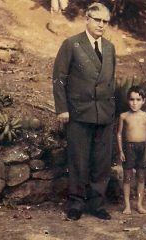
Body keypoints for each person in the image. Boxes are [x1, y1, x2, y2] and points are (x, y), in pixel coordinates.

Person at [52, 3, 116, 221]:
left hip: (104, 113)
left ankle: (97, 204)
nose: (101, 25)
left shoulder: (109, 48)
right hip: (79, 112)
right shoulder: (72, 44)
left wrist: (112, 110)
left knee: (101, 162)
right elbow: (59, 78)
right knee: (78, 160)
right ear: (86, 19)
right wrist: (62, 109)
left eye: (105, 21)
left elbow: (111, 80)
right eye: (97, 20)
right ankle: (76, 203)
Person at [117, 86, 146, 214]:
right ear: (128, 100)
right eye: (132, 99)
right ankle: (127, 206)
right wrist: (121, 151)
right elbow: (119, 134)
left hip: (142, 148)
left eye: (138, 99)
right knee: (127, 177)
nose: (135, 103)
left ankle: (139, 204)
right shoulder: (124, 116)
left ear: (143, 101)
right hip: (129, 148)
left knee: (141, 177)